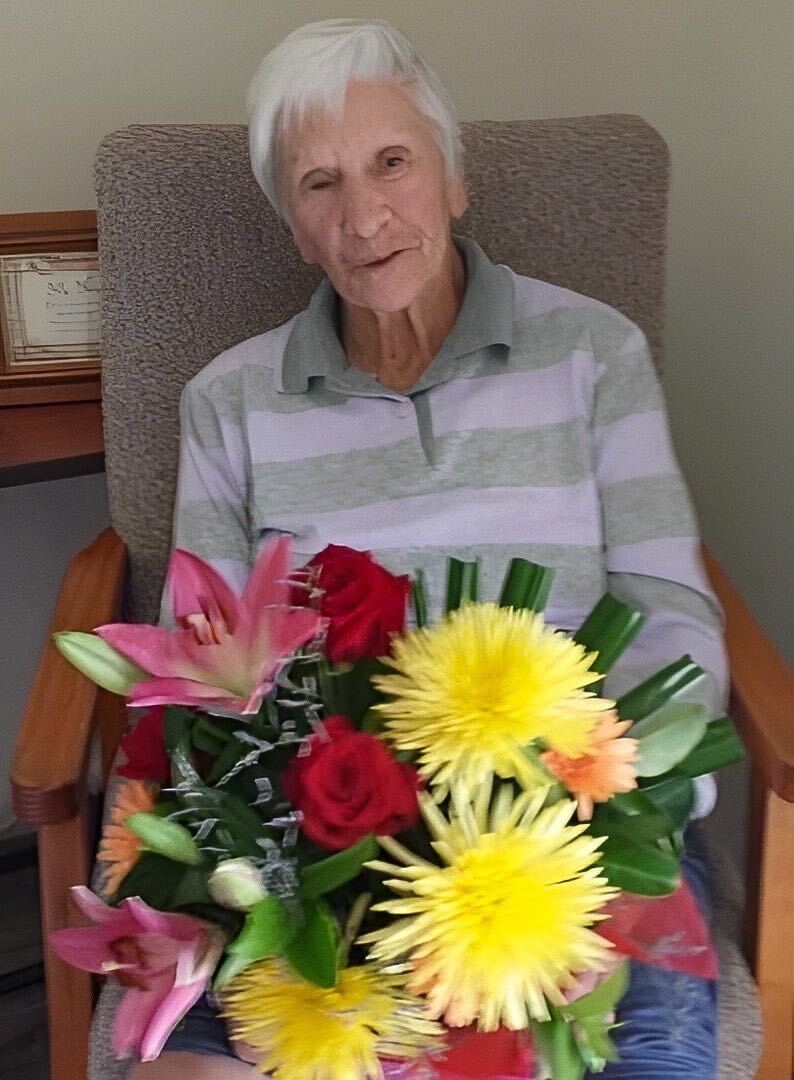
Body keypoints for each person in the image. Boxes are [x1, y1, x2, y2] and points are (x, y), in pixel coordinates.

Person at [133, 18, 724, 1079]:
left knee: (638, 1055)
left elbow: (667, 612)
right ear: (295, 231)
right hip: (321, 835)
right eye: (319, 185)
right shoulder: (226, 403)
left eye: (392, 163)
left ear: (453, 180)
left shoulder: (593, 355)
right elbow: (209, 670)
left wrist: (593, 826)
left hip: (569, 827)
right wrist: (317, 859)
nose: (364, 217)